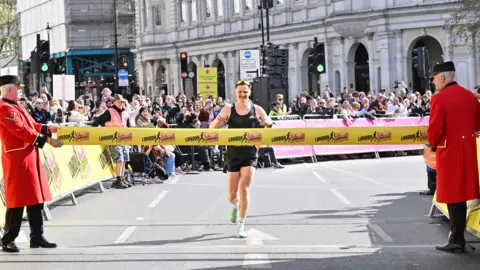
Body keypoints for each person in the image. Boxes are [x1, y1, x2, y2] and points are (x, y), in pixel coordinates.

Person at [0, 75, 63, 253]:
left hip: (28, 156)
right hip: (17, 159)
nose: (21, 90)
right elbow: (21, 131)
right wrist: (47, 140)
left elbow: (32, 125)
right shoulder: (4, 108)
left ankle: (37, 236)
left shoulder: (17, 106)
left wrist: (47, 129)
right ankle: (8, 239)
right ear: (9, 89)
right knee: (17, 200)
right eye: (18, 88)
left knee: (35, 198)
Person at [209, 80, 273, 238]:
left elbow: (269, 125)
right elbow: (211, 128)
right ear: (236, 93)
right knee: (231, 195)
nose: (243, 95)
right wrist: (219, 120)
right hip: (233, 153)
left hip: (250, 153)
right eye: (240, 92)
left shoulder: (257, 109)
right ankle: (236, 207)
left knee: (244, 189)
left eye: (245, 92)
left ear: (249, 92)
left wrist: (268, 124)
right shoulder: (228, 109)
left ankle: (241, 225)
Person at [428, 61, 480, 253]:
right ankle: (457, 238)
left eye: (434, 79)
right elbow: (477, 124)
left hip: (449, 152)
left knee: (453, 197)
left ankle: (457, 240)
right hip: (467, 152)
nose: (434, 83)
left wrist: (432, 145)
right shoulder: (470, 96)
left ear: (442, 77)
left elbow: (435, 129)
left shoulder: (439, 98)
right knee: (462, 195)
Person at [92, 94, 132, 189]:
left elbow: (128, 126)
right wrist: (108, 124)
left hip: (124, 139)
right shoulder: (109, 112)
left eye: (122, 102)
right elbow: (97, 122)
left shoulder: (125, 112)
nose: (121, 103)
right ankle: (118, 180)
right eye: (118, 102)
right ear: (114, 102)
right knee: (119, 159)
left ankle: (121, 178)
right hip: (114, 139)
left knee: (124, 160)